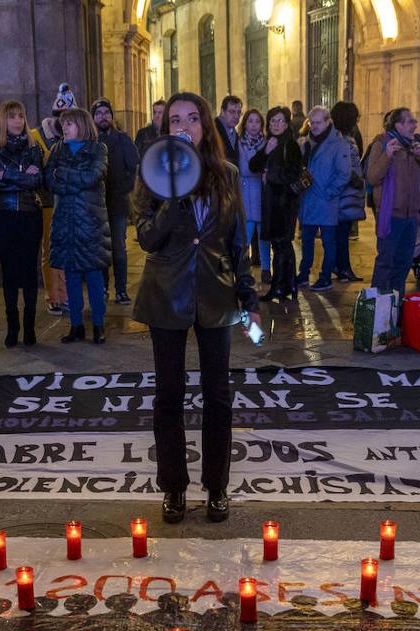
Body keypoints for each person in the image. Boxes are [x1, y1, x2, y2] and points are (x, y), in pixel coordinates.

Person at [131, 91, 259, 524]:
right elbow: (147, 237)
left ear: (206, 125)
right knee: (169, 395)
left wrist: (250, 300)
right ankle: (174, 487)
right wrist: (174, 193)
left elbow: (238, 243)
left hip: (216, 294)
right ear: (165, 128)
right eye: (174, 120)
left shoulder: (226, 174)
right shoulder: (151, 171)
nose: (183, 126)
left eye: (192, 118)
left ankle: (217, 486)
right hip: (166, 294)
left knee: (217, 395)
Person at [45, 108, 112, 344]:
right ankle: (76, 326)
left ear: (82, 125)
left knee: (94, 276)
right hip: (66, 222)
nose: (65, 128)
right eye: (63, 124)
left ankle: (98, 325)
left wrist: (64, 175)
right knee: (71, 276)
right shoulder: (56, 150)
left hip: (90, 222)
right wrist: (70, 181)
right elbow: (49, 180)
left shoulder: (98, 149)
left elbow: (93, 176)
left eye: (70, 124)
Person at [0, 100, 46, 347]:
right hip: (2, 216)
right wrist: (21, 177)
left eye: (21, 116)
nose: (18, 121)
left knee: (30, 272)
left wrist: (6, 175)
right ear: (3, 120)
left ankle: (29, 328)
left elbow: (38, 181)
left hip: (30, 214)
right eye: (12, 117)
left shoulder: (34, 148)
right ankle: (13, 327)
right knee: (9, 272)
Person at [366, 108, 420, 297]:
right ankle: (378, 311)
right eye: (409, 121)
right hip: (391, 215)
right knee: (386, 264)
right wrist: (387, 156)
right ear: (397, 124)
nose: (414, 125)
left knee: (403, 264)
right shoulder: (381, 143)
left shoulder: (416, 144)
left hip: (411, 216)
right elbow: (372, 177)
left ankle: (395, 310)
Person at [249, 106, 303, 303]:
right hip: (272, 203)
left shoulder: (291, 144)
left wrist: (269, 175)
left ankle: (280, 287)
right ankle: (288, 286)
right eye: (272, 121)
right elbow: (253, 165)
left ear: (287, 123)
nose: (275, 124)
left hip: (285, 204)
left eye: (279, 121)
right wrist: (266, 151)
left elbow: (293, 173)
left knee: (281, 244)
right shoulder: (271, 143)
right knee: (280, 245)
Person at [297, 106, 351, 291]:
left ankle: (325, 276)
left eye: (318, 122)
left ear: (328, 122)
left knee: (329, 242)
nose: (314, 126)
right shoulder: (305, 142)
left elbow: (344, 174)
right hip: (307, 201)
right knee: (306, 241)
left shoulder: (339, 144)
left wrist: (328, 193)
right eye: (312, 122)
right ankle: (303, 274)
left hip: (326, 201)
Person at [32, 83, 75, 317]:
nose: (65, 121)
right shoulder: (37, 136)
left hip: (69, 201)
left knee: (68, 249)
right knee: (50, 250)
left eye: (69, 117)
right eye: (62, 116)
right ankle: (54, 296)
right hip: (48, 201)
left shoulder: (76, 136)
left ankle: (67, 295)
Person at [92, 98, 139, 305]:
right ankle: (102, 287)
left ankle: (121, 289)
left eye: (106, 113)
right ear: (93, 117)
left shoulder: (122, 139)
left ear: (112, 116)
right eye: (99, 113)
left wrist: (125, 187)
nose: (103, 117)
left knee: (119, 247)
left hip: (118, 202)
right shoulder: (91, 141)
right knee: (101, 248)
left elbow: (133, 166)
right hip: (97, 204)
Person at [330, 100, 365, 282]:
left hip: (347, 193)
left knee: (341, 233)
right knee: (341, 233)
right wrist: (356, 179)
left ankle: (341, 266)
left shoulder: (342, 137)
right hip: (344, 193)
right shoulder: (339, 139)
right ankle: (343, 268)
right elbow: (342, 165)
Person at [236, 108, 271, 284]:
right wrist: (259, 170)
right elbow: (244, 169)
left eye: (257, 121)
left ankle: (266, 269)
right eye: (250, 121)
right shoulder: (240, 143)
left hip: (262, 195)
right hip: (246, 195)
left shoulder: (266, 143)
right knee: (245, 237)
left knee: (264, 236)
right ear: (245, 124)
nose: (254, 125)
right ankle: (244, 271)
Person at [216, 95, 243, 164]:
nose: (236, 116)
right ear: (222, 111)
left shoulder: (234, 132)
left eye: (239, 112)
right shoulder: (212, 129)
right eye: (232, 112)